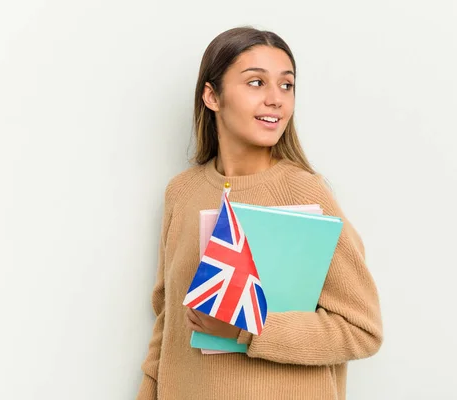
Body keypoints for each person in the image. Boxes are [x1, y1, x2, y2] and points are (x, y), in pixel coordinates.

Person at [136, 26, 383, 400]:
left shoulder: (305, 193)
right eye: (256, 83)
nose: (276, 99)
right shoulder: (181, 192)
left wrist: (244, 330)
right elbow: (167, 323)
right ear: (212, 95)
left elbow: (361, 330)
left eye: (287, 86)